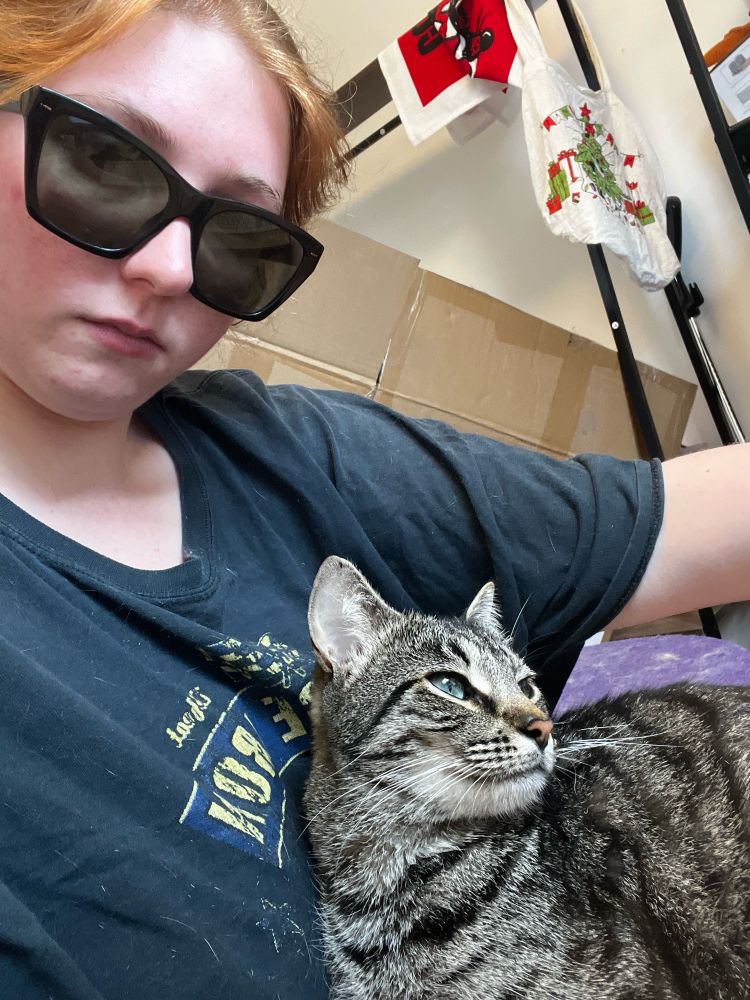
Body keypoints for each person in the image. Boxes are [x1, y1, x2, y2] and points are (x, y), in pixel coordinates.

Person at [0, 1, 748, 997]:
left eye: (242, 235)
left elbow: (667, 520)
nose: (172, 269)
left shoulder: (282, 445)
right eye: (102, 159)